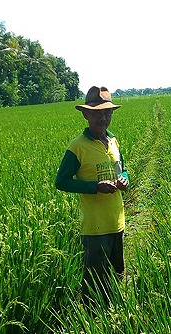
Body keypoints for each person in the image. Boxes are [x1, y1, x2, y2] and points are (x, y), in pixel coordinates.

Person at [55, 86, 129, 309]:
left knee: (116, 273)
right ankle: (91, 322)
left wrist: (124, 179)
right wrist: (95, 187)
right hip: (94, 227)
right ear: (85, 114)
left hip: (117, 221)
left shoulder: (114, 141)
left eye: (107, 113)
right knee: (95, 280)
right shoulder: (77, 147)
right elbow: (61, 182)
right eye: (97, 113)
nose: (103, 118)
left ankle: (113, 313)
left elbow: (122, 169)